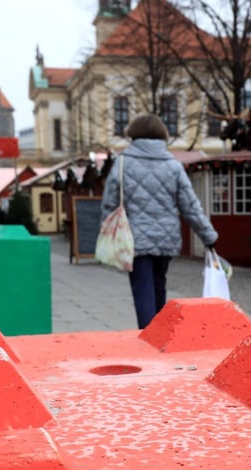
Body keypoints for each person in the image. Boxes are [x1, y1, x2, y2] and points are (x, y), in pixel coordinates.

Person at [101, 113, 219, 329]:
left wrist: (108, 233)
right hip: (167, 237)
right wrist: (208, 236)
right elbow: (190, 206)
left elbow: (109, 204)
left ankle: (148, 337)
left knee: (142, 287)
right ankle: (160, 335)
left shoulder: (122, 163)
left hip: (134, 238)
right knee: (158, 284)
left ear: (133, 135)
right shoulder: (173, 166)